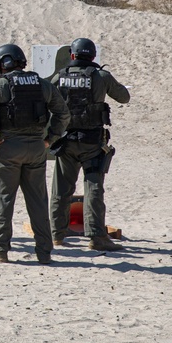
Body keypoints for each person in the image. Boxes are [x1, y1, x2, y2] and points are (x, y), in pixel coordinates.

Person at [0, 44, 69, 264]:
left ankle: (0, 250)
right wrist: (49, 139)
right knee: (38, 202)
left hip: (8, 148)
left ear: (3, 64)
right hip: (36, 148)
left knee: (3, 199)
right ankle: (44, 252)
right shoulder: (42, 84)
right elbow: (63, 113)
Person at [49, 38, 131, 252]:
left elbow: (46, 97)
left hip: (65, 141)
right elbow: (124, 97)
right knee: (93, 188)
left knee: (61, 188)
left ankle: (57, 235)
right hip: (92, 142)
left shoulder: (61, 76)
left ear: (72, 55)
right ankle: (96, 237)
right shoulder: (101, 76)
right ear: (93, 56)